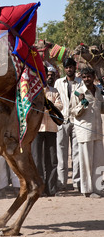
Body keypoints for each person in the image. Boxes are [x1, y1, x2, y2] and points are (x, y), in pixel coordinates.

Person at [71, 67, 104, 198]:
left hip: (97, 131)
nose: (86, 79)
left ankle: (99, 188)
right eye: (84, 77)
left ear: (93, 76)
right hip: (85, 131)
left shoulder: (98, 91)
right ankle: (87, 190)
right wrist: (82, 105)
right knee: (85, 161)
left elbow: (101, 108)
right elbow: (72, 111)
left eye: (89, 76)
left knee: (99, 161)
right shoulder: (78, 92)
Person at [32, 66, 62, 196]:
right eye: (43, 74)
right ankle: (40, 189)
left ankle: (51, 189)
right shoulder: (33, 91)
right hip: (37, 129)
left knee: (52, 160)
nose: (46, 77)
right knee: (37, 160)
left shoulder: (54, 91)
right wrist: (50, 107)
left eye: (47, 74)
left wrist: (46, 107)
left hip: (51, 129)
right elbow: (31, 108)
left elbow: (60, 106)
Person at [54, 57, 81, 193]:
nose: (69, 69)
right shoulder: (58, 83)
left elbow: (84, 100)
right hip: (62, 121)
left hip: (77, 121)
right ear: (64, 69)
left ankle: (77, 183)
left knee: (76, 153)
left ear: (75, 67)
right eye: (67, 67)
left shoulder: (80, 83)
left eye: (71, 67)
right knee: (61, 153)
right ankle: (61, 184)